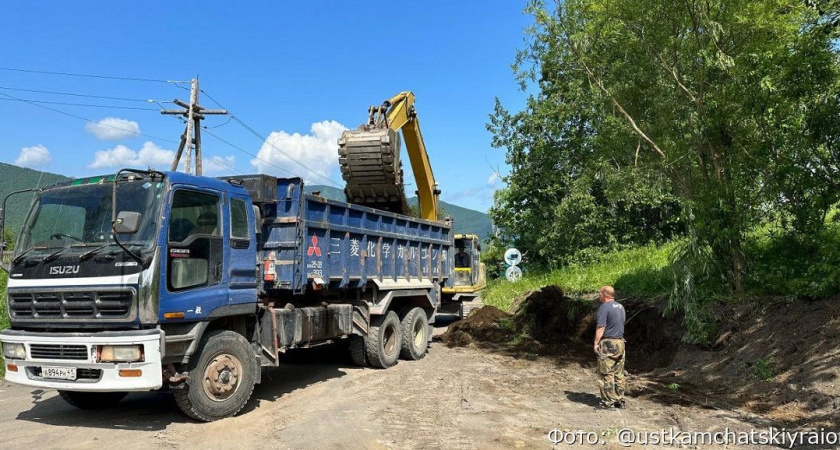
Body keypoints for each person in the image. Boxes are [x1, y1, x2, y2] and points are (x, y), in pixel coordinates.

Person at [594, 285, 626, 410]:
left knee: (606, 373)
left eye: (600, 293)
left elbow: (601, 327)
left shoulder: (604, 307)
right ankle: (619, 400)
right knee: (619, 373)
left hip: (608, 344)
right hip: (620, 342)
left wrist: (596, 343)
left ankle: (608, 402)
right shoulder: (620, 307)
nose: (599, 295)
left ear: (604, 294)